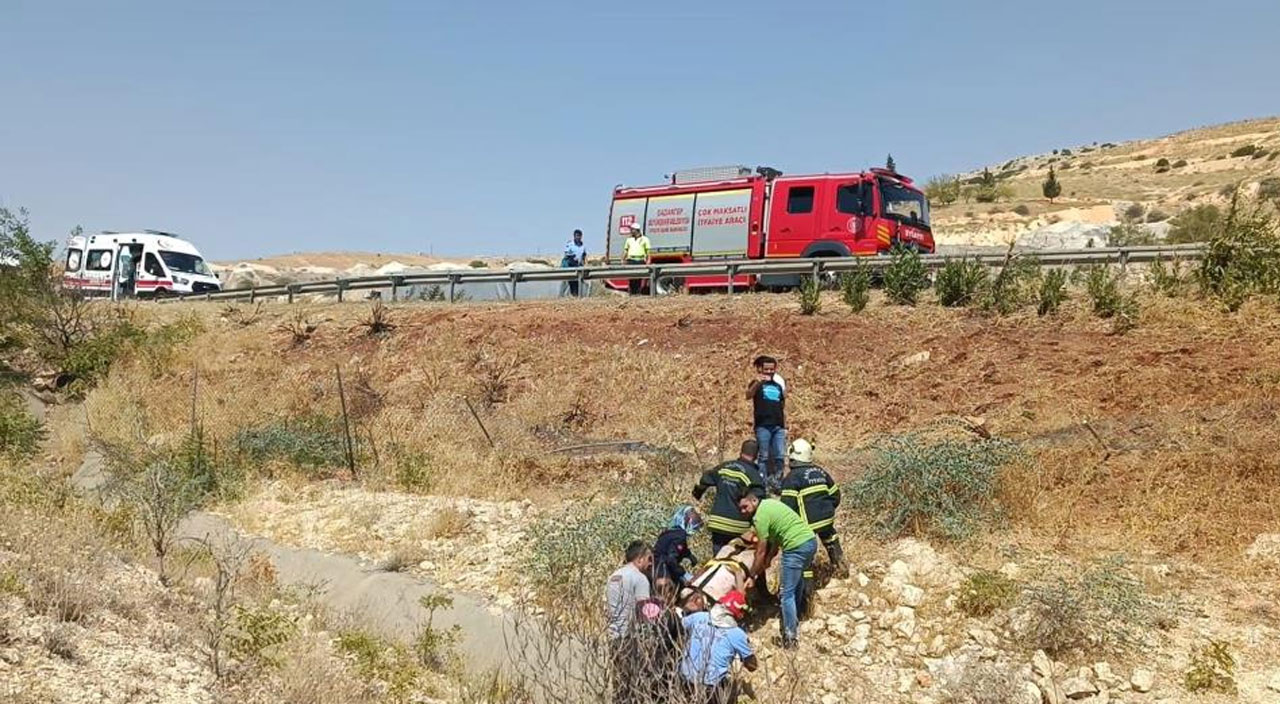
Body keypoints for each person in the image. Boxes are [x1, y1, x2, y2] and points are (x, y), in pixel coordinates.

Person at [737, 494, 816, 648]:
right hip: (810, 542)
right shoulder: (770, 504)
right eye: (740, 508)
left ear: (754, 501)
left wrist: (752, 575)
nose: (743, 511)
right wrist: (769, 559)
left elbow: (760, 551)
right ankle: (796, 615)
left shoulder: (759, 518)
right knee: (796, 583)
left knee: (786, 593)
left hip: (795, 547)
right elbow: (776, 539)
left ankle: (790, 637)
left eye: (745, 506)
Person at [779, 438, 846, 617]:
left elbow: (787, 507)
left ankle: (807, 600)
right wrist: (827, 510)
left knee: (804, 561)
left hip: (806, 525)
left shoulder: (792, 478)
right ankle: (840, 566)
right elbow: (835, 495)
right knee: (830, 536)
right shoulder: (821, 472)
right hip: (827, 519)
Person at [679, 590, 757, 704]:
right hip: (709, 687)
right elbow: (752, 666)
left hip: (684, 677)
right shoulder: (737, 634)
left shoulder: (699, 617)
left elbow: (678, 625)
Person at [693, 440, 766, 554]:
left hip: (717, 523)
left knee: (718, 561)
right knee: (734, 563)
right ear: (756, 456)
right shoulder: (753, 475)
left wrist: (697, 493)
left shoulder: (723, 467)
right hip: (738, 527)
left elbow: (705, 479)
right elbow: (759, 498)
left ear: (741, 451)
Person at [746, 356, 787, 493]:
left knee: (780, 456)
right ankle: (762, 484)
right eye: (766, 369)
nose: (769, 371)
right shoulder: (757, 384)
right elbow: (748, 395)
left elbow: (781, 403)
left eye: (772, 369)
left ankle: (777, 483)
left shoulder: (778, 385)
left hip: (778, 426)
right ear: (760, 369)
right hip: (763, 425)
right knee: (763, 457)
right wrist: (757, 382)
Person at [607, 541, 653, 640]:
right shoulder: (640, 578)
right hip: (630, 637)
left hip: (613, 635)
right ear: (640, 559)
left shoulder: (614, 576)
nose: (651, 563)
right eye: (649, 559)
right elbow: (644, 612)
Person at [653, 505, 703, 593]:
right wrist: (683, 574)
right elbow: (671, 559)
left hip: (656, 568)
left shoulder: (671, 532)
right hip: (664, 571)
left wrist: (689, 556)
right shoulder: (680, 536)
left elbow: (680, 548)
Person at [622, 225, 651, 295]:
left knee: (638, 278)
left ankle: (637, 293)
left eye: (632, 229)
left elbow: (648, 251)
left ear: (636, 230)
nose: (631, 231)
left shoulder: (645, 239)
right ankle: (632, 293)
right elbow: (626, 250)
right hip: (631, 260)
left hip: (640, 260)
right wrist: (623, 259)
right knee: (631, 278)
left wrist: (648, 260)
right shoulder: (629, 240)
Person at [562, 229, 587, 297]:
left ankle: (576, 296)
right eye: (576, 236)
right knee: (571, 282)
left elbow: (584, 255)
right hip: (571, 265)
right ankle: (572, 295)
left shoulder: (582, 246)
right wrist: (573, 259)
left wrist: (582, 261)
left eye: (579, 236)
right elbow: (567, 255)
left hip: (579, 266)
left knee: (578, 283)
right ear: (574, 236)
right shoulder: (570, 244)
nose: (578, 237)